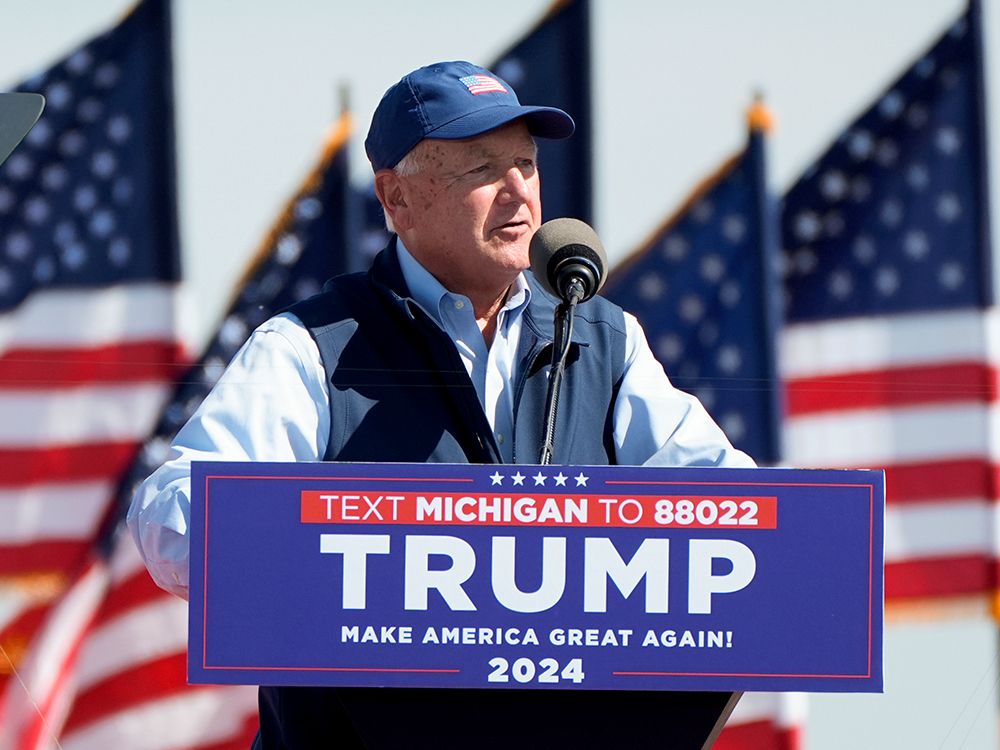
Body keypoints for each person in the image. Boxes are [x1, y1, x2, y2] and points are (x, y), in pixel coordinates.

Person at [128, 60, 754, 749]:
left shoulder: (605, 338)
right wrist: (353, 543)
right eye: (483, 170)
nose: (520, 192)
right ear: (397, 198)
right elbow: (170, 515)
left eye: (527, 164)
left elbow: (738, 511)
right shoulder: (310, 347)